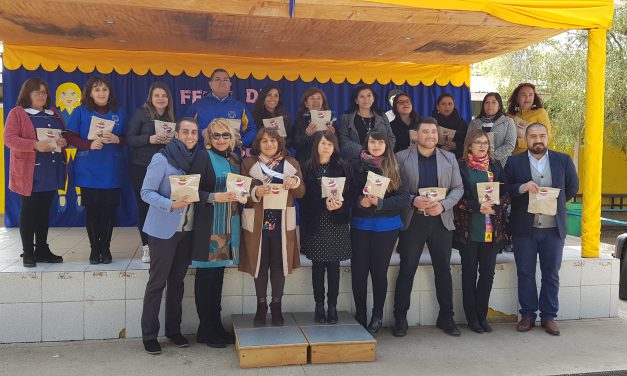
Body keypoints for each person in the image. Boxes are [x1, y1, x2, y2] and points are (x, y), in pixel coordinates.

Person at [504, 123, 578, 336]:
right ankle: (527, 315)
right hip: (523, 229)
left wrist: (554, 202)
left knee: (551, 274)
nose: (538, 140)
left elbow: (572, 187)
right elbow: (505, 189)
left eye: (542, 136)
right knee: (525, 272)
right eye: (533, 136)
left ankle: (548, 316)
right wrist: (521, 187)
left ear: (548, 137)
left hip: (553, 228)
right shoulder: (514, 162)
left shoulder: (562, 160)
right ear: (525, 139)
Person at [140, 118, 205, 355]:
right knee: (157, 283)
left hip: (186, 231)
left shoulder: (197, 160)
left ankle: (173, 330)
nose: (190, 136)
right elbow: (145, 192)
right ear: (177, 134)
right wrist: (170, 204)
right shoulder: (161, 159)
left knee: (177, 283)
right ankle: (149, 335)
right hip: (163, 231)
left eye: (194, 132)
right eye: (185, 132)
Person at [393, 117, 464, 337]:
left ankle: (447, 318)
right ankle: (400, 318)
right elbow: (396, 188)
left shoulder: (450, 158)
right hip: (413, 220)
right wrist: (412, 199)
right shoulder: (401, 157)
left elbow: (458, 188)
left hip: (440, 220)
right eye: (425, 132)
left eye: (434, 132)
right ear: (416, 135)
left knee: (443, 270)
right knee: (407, 269)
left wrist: (443, 206)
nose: (430, 136)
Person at [239, 128, 305, 326]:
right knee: (260, 265)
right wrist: (255, 191)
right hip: (258, 221)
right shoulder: (249, 163)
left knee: (278, 265)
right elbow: (242, 190)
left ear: (279, 143)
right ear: (258, 144)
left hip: (282, 222)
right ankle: (261, 305)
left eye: (273, 141)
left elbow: (301, 192)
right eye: (264, 141)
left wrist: (295, 183)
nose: (269, 144)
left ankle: (276, 305)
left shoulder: (291, 163)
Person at [4, 78, 67, 267]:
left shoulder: (54, 113)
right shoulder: (18, 113)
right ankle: (28, 251)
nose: (42, 95)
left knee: (43, 212)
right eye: (37, 92)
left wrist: (63, 142)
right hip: (29, 172)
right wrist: (34, 145)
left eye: (44, 92)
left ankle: (41, 248)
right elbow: (9, 139)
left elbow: (62, 136)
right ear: (27, 94)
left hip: (51, 169)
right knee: (29, 211)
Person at [350, 131, 409, 334]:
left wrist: (380, 203)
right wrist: (360, 201)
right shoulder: (356, 165)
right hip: (360, 225)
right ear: (366, 143)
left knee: (378, 272)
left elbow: (403, 198)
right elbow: (347, 193)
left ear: (386, 145)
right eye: (372, 142)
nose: (375, 145)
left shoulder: (395, 166)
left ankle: (376, 316)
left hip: (386, 226)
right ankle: (360, 315)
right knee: (358, 273)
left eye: (380, 142)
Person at [192, 119, 243, 348]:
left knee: (218, 277)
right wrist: (214, 197)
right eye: (216, 136)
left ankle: (216, 324)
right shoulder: (204, 157)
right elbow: (192, 190)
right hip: (210, 225)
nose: (221, 139)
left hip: (229, 224)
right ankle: (205, 328)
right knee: (206, 277)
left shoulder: (233, 158)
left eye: (225, 135)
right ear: (209, 139)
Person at [453, 130, 509, 333]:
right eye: (478, 142)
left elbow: (506, 193)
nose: (482, 146)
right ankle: (471, 319)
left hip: (492, 231)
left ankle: (481, 315)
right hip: (469, 230)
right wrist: (477, 207)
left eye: (485, 143)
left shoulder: (495, 165)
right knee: (469, 274)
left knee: (487, 274)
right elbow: (456, 198)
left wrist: (498, 204)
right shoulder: (461, 167)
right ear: (469, 145)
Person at [66, 76, 126, 265]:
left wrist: (118, 140)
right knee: (92, 210)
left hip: (111, 169)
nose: (101, 93)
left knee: (108, 210)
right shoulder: (80, 112)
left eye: (105, 89)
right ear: (90, 93)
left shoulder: (120, 112)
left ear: (110, 92)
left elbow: (128, 137)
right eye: (97, 89)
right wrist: (88, 145)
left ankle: (106, 248)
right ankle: (94, 249)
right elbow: (70, 137)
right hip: (88, 169)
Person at [300, 131, 352, 324]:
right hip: (316, 223)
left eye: (330, 144)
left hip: (336, 223)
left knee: (334, 266)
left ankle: (332, 306)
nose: (326, 147)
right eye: (323, 144)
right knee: (318, 267)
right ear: (316, 146)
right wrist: (323, 204)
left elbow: (350, 195)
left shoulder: (342, 167)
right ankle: (319, 305)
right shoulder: (307, 168)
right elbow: (302, 200)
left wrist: (340, 206)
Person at [126, 82, 175, 263]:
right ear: (150, 98)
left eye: (164, 95)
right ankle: (146, 247)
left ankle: (159, 244)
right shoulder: (141, 113)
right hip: (141, 166)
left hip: (164, 169)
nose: (160, 99)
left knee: (161, 206)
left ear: (168, 99)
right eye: (157, 95)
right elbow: (129, 138)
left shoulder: (170, 116)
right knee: (144, 206)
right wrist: (150, 138)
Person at [186, 68, 257, 147]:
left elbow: (251, 129)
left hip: (232, 156)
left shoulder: (239, 107)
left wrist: (241, 142)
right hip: (204, 155)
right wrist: (202, 133)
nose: (222, 82)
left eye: (225, 80)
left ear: (230, 84)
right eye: (217, 79)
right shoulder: (198, 106)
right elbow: (186, 129)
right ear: (210, 84)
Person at [339, 84, 395, 162]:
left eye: (369, 96)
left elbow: (391, 138)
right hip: (355, 163)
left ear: (373, 99)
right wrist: (361, 152)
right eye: (362, 96)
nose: (366, 99)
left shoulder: (382, 116)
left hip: (380, 162)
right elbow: (344, 140)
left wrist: (382, 153)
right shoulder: (346, 118)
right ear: (356, 101)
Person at [466, 93, 516, 166]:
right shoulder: (474, 123)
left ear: (499, 106)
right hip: (477, 164)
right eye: (487, 102)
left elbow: (510, 145)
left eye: (494, 102)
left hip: (502, 164)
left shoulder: (508, 121)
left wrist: (491, 157)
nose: (490, 105)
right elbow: (467, 142)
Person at [291, 87, 336, 166]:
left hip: (326, 163)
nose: (316, 101)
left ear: (322, 102)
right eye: (312, 98)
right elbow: (295, 144)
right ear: (306, 103)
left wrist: (333, 135)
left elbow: (338, 144)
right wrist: (307, 135)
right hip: (305, 163)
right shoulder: (300, 120)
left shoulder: (330, 119)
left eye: (319, 98)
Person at [506, 83, 552, 155]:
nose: (527, 98)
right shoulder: (513, 115)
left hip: (534, 157)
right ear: (517, 98)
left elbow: (546, 137)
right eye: (523, 95)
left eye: (531, 95)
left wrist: (518, 142)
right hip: (514, 158)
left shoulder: (540, 112)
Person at [431, 93, 467, 159]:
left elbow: (468, 143)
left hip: (457, 160)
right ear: (437, 107)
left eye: (450, 104)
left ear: (454, 106)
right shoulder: (430, 123)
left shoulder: (462, 123)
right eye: (443, 104)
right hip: (434, 158)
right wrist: (439, 148)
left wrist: (456, 146)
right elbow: (424, 141)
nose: (447, 107)